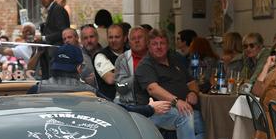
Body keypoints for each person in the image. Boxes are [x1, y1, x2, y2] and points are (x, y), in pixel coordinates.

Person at [134, 29, 210, 139]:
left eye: (162, 43)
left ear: (168, 45)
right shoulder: (145, 65)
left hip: (178, 108)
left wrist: (193, 93)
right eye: (154, 44)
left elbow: (192, 82)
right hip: (154, 111)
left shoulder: (176, 59)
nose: (159, 47)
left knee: (207, 123)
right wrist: (176, 101)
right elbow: (153, 89)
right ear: (148, 46)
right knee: (184, 116)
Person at [30, 44, 171, 117]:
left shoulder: (37, 90)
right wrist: (150, 108)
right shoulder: (90, 92)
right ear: (79, 68)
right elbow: (121, 110)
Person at [37, 0, 70, 79]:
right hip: (51, 53)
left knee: (54, 81)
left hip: (56, 52)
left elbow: (63, 32)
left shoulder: (58, 9)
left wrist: (44, 38)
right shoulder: (51, 10)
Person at [114, 26, 148, 104]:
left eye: (140, 37)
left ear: (147, 40)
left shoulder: (154, 56)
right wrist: (137, 77)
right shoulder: (122, 59)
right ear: (129, 43)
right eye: (133, 38)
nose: (137, 41)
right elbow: (120, 86)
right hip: (129, 104)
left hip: (154, 102)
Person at [93, 24, 126, 100]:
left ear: (125, 38)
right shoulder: (100, 56)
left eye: (117, 37)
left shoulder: (130, 53)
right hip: (110, 102)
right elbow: (110, 79)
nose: (113, 40)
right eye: (110, 37)